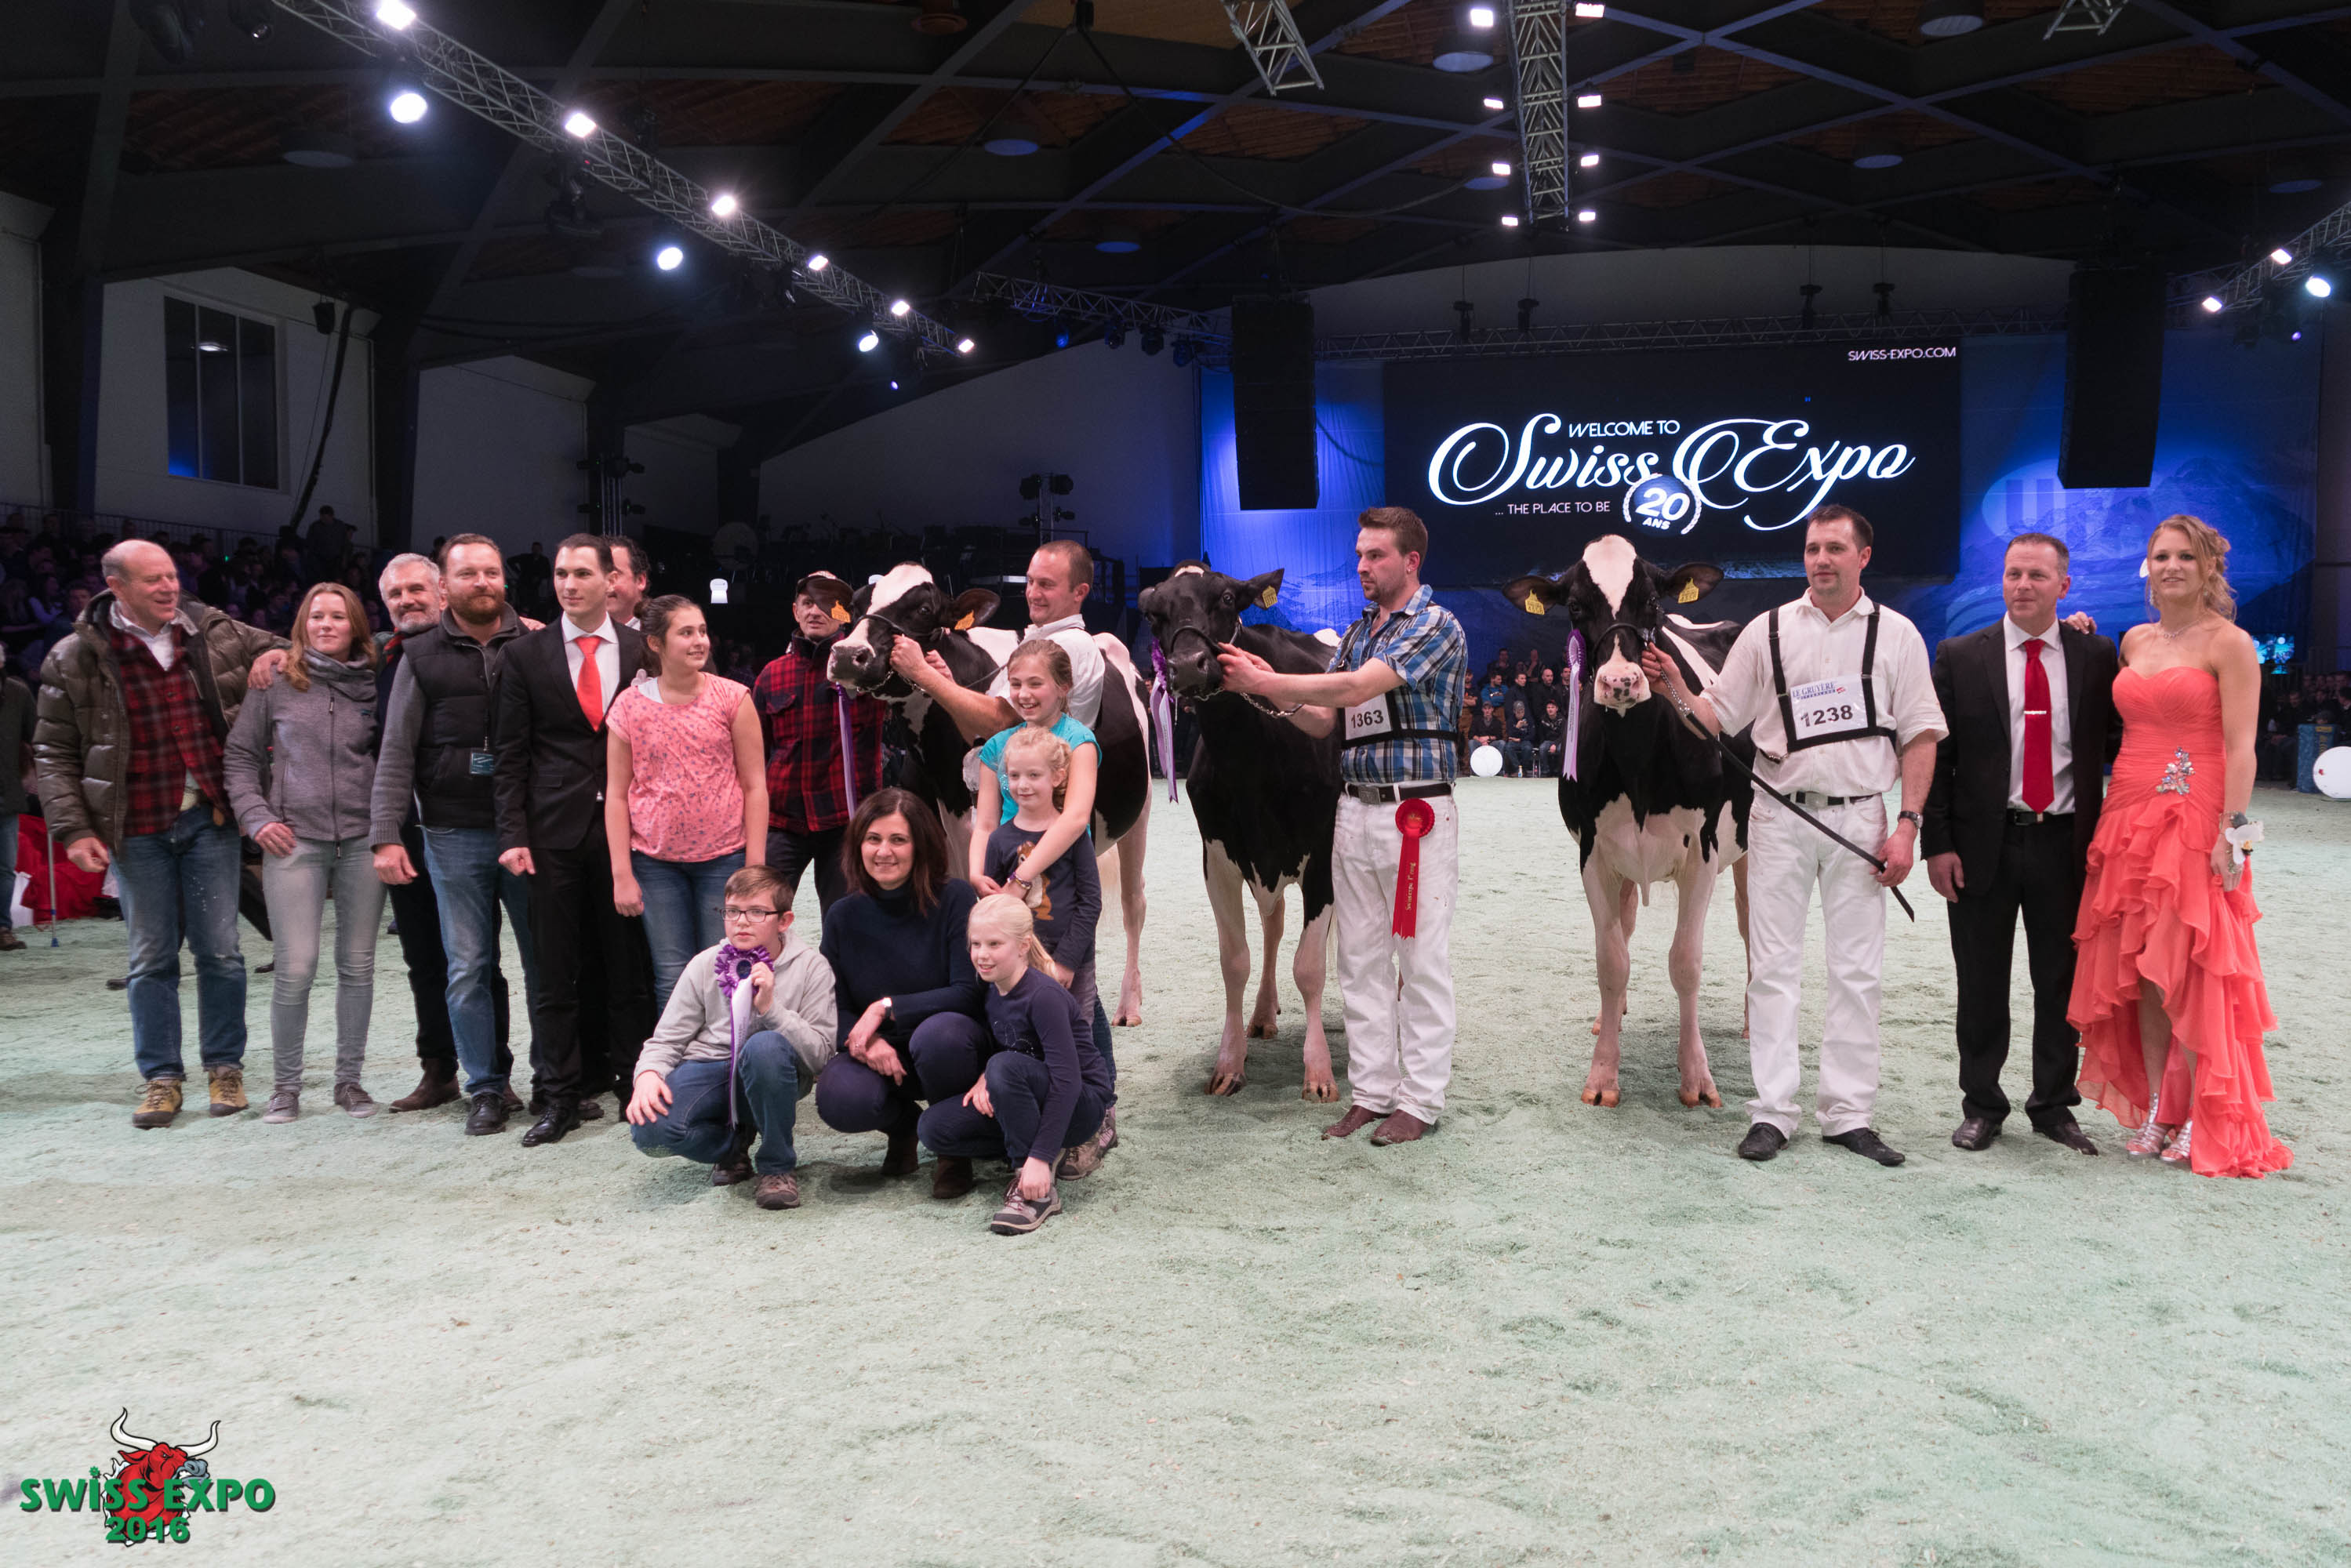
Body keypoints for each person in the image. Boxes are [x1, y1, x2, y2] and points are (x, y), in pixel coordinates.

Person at [1642, 504, 1946, 1167]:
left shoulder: (1897, 635)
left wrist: (1908, 824)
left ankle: (1848, 1114)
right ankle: (1772, 1112)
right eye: (1812, 548)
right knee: (1772, 967)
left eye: (1835, 548)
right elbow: (1716, 719)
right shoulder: (1768, 630)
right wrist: (1673, 687)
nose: (1821, 560)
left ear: (1864, 557)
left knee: (1857, 970)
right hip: (1778, 815)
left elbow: (1921, 734)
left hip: (1863, 818)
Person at [1218, 506, 1466, 1147]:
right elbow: (1323, 718)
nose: (1362, 566)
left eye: (1375, 555)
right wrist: (1258, 692)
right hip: (1353, 807)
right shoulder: (1358, 632)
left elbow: (1357, 690)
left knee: (1420, 959)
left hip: (1415, 813)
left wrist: (1266, 676)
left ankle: (1420, 1099)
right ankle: (1374, 1092)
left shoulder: (1436, 625)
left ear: (1411, 561)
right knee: (1358, 960)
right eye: (1359, 554)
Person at [2066, 516, 2291, 1178]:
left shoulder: (2232, 643)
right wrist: (2078, 635)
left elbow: (2244, 747)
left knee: (2192, 967)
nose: (2171, 567)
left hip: (2196, 814)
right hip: (2127, 811)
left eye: (2186, 557)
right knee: (2141, 970)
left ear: (2209, 567)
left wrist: (2236, 838)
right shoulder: (2134, 640)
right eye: (2161, 556)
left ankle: (2202, 1113)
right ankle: (2163, 1110)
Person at [34, 539, 286, 1127]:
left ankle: (225, 1068)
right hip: (134, 827)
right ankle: (162, 1078)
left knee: (221, 951)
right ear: (117, 587)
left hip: (209, 818)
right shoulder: (73, 656)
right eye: (153, 580)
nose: (170, 587)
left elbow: (296, 644)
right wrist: (73, 829)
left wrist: (275, 654)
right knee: (150, 958)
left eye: (171, 576)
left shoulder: (212, 630)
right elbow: (53, 752)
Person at [1921, 533, 2120, 1157]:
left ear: (2064, 585)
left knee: (2060, 983)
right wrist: (1937, 843)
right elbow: (1939, 758)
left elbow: (2118, 743)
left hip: (2067, 845)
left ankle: (2053, 1106)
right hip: (1983, 845)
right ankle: (1982, 1106)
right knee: (1981, 983)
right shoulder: (1959, 655)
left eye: (2037, 575)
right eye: (2013, 574)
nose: (2023, 585)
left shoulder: (2097, 655)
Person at [369, 534, 541, 1138]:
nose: (482, 582)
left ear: (504, 579)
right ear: (448, 585)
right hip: (450, 832)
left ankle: (554, 1080)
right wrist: (385, 834)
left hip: (527, 830)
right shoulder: (417, 656)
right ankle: (486, 1087)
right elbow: (395, 752)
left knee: (545, 963)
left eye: (491, 572)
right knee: (468, 966)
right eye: (468, 573)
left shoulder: (536, 644)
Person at [494, 534, 652, 1147]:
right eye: (561, 573)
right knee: (554, 973)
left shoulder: (644, 648)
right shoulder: (524, 655)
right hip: (550, 833)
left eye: (582, 573)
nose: (568, 584)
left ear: (611, 581)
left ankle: (633, 1085)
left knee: (627, 969)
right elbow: (510, 754)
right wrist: (513, 832)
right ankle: (559, 1096)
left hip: (629, 832)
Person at [223, 583, 387, 1123]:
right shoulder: (274, 679)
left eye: (338, 617)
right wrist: (257, 816)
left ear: (355, 626)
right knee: (295, 968)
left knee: (358, 965)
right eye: (316, 616)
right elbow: (240, 756)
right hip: (294, 840)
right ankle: (285, 1088)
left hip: (363, 840)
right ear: (302, 624)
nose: (326, 625)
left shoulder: (375, 680)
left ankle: (350, 1083)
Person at [627, 865, 837, 1211]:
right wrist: (648, 1074)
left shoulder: (812, 967)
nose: (741, 922)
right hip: (710, 1067)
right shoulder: (705, 963)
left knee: (764, 1046)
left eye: (757, 912)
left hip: (775, 1070)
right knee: (650, 1131)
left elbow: (820, 1057)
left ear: (784, 921)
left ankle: (777, 1167)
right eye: (732, 911)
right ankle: (733, 1145)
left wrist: (772, 1010)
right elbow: (666, 1040)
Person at [812, 788, 989, 1196]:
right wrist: (866, 1041)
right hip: (884, 1053)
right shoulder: (842, 915)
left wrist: (887, 1008)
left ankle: (953, 1150)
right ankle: (903, 1125)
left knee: (940, 1036)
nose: (883, 852)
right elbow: (832, 1006)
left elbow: (968, 992)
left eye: (898, 840)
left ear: (920, 845)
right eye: (873, 839)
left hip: (951, 1045)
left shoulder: (955, 898)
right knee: (839, 1098)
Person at [605, 594, 767, 1002]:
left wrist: (754, 867)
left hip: (724, 860)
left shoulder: (733, 697)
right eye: (686, 633)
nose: (700, 641)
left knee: (725, 969)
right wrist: (622, 873)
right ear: (655, 643)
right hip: (654, 864)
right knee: (672, 976)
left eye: (703, 631)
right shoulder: (628, 706)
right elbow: (617, 795)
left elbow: (755, 786)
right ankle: (676, 1047)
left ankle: (727, 1047)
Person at [918, 893, 1110, 1235]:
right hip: (1028, 1092)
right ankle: (1032, 1146)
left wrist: (1037, 1158)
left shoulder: (1044, 996)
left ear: (1023, 946)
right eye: (976, 944)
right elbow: (1008, 1046)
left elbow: (1068, 1081)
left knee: (1004, 1066)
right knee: (933, 1128)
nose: (982, 954)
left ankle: (1034, 1183)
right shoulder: (992, 988)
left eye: (994, 944)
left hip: (1081, 1105)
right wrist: (984, 1076)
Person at [980, 725, 1106, 1178]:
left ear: (1058, 777)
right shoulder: (999, 841)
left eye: (1033, 775)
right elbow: (994, 912)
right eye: (1014, 776)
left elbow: (1090, 902)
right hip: (1019, 968)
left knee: (1077, 1042)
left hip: (1071, 962)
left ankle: (1084, 1133)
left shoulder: (1074, 836)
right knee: (1025, 1042)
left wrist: (1067, 961)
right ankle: (1032, 1129)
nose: (1022, 785)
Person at [751, 573, 887, 914]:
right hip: (783, 821)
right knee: (760, 912)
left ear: (844, 613)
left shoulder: (868, 668)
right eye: (808, 603)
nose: (816, 611)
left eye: (827, 603)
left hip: (845, 821)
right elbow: (755, 754)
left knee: (844, 920)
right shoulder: (771, 675)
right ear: (795, 611)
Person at [0, 664, 32, 952]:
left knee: (5, 868)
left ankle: (2, 928)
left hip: (6, 795)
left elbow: (39, 737)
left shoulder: (17, 693)